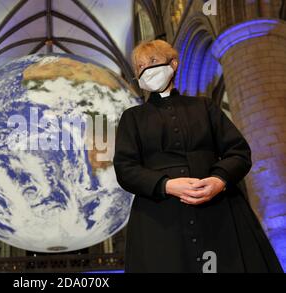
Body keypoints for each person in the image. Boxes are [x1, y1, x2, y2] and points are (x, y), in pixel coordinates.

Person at [113, 39, 283, 273]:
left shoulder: (205, 107)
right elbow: (125, 168)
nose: (146, 69)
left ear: (173, 64)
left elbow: (238, 152)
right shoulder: (132, 118)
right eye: (140, 66)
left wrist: (218, 180)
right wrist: (166, 185)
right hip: (159, 220)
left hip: (220, 212)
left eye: (152, 61)